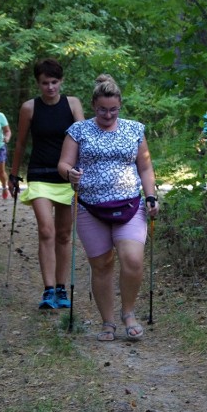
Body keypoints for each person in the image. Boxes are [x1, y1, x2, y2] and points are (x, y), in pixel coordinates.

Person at [58, 74, 160, 341]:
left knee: (133, 259)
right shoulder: (79, 131)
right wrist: (70, 174)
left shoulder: (134, 129)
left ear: (120, 105)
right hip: (89, 207)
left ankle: (128, 313)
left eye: (113, 109)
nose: (108, 114)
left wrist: (151, 196)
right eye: (102, 109)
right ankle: (108, 322)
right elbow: (63, 164)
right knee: (101, 264)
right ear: (94, 105)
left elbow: (145, 167)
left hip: (130, 203)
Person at [10, 58, 85, 309]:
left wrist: (85, 172)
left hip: (67, 175)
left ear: (61, 81)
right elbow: (20, 143)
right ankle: (48, 288)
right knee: (46, 230)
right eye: (45, 83)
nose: (50, 87)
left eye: (54, 82)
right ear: (38, 83)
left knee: (64, 235)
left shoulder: (72, 104)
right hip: (39, 174)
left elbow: (84, 139)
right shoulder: (29, 108)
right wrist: (13, 174)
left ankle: (62, 288)